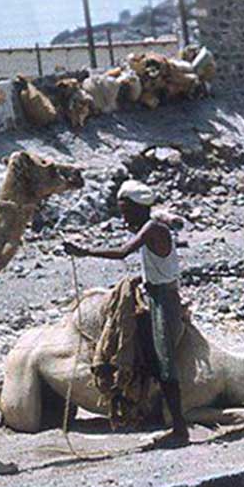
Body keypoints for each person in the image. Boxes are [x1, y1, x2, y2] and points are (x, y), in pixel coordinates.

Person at [63, 180, 189, 448]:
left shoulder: (153, 228)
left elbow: (122, 253)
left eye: (126, 211)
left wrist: (84, 251)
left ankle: (180, 429)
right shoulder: (151, 225)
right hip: (154, 293)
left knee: (164, 362)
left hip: (163, 300)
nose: (124, 217)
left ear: (138, 207)